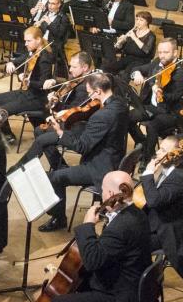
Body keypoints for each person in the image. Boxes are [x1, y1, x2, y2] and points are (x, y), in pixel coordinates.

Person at [48, 171, 151, 302]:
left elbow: (94, 260)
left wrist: (87, 225)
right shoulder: (136, 213)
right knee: (84, 281)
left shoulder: (121, 227)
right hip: (129, 283)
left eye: (102, 190)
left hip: (122, 298)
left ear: (112, 192)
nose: (100, 194)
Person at [39, 73, 128, 232]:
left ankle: (59, 218)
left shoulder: (102, 115)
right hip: (114, 158)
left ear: (98, 91)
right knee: (61, 172)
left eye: (89, 93)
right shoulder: (121, 104)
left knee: (54, 177)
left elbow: (82, 147)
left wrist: (60, 132)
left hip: (100, 168)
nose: (89, 96)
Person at [17, 52, 95, 171]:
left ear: (85, 68)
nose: (70, 70)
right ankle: (59, 166)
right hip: (71, 118)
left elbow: (72, 111)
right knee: (40, 130)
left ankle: (58, 167)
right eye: (70, 66)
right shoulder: (78, 80)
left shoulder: (86, 86)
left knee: (40, 131)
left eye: (74, 67)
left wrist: (57, 104)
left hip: (77, 124)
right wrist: (56, 100)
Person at [129, 37, 183, 162]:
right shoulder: (158, 63)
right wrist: (137, 73)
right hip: (152, 107)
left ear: (175, 53)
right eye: (160, 52)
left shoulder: (181, 73)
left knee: (152, 126)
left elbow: (173, 98)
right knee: (127, 116)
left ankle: (148, 160)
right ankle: (142, 142)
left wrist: (157, 90)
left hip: (170, 112)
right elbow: (138, 68)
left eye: (166, 52)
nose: (162, 55)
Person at [0, 25, 55, 145]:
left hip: (36, 98)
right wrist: (11, 62)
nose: (26, 44)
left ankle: (8, 137)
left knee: (1, 110)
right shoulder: (33, 52)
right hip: (26, 92)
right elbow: (21, 59)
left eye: (29, 41)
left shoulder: (44, 58)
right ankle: (7, 133)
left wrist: (28, 81)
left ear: (39, 40)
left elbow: (43, 84)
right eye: (25, 41)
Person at [140, 135, 183, 256]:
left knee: (126, 243)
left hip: (165, 232)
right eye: (159, 148)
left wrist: (148, 173)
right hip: (158, 219)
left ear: (176, 155)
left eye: (163, 150)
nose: (157, 153)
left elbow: (153, 201)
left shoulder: (179, 178)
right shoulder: (167, 168)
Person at [103, 11, 157, 78]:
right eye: (137, 19)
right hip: (128, 58)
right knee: (107, 68)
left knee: (125, 74)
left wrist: (134, 37)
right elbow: (120, 49)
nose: (138, 22)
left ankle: (121, 87)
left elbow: (146, 50)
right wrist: (120, 42)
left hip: (141, 61)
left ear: (147, 22)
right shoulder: (132, 32)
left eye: (141, 20)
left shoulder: (151, 35)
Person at [31, 0, 70, 76]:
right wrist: (37, 22)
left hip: (53, 46)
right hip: (42, 43)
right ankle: (30, 74)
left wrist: (49, 23)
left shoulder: (64, 18)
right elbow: (38, 29)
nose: (50, 6)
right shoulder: (46, 13)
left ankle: (41, 76)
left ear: (59, 4)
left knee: (42, 54)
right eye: (49, 3)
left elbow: (59, 35)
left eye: (53, 4)